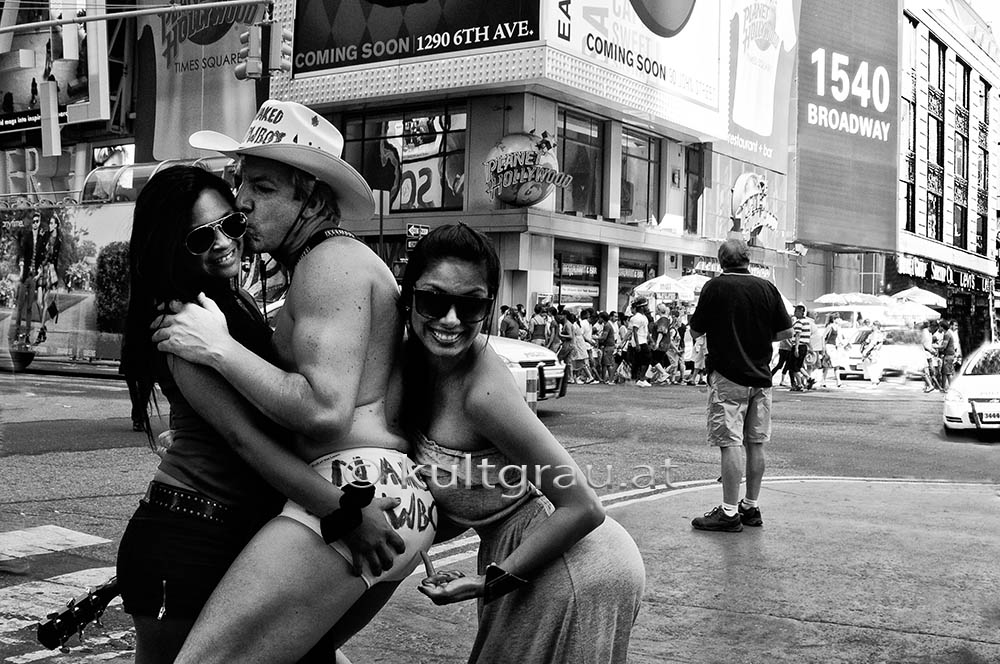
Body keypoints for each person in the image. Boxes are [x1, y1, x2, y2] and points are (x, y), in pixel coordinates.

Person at [148, 101, 435, 664]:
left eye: (264, 188)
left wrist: (220, 349)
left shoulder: (329, 263)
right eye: (242, 183)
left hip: (353, 490)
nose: (243, 202)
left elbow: (324, 410)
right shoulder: (331, 263)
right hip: (375, 490)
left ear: (315, 200)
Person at [116, 166, 359, 663]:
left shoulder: (231, 302)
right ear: (170, 247)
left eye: (230, 224)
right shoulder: (180, 321)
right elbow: (244, 439)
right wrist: (345, 513)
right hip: (188, 539)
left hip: (235, 531)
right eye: (200, 238)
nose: (224, 243)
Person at [401, 224, 645, 662]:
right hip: (526, 556)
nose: (451, 320)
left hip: (574, 565)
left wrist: (490, 581)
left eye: (471, 305)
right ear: (408, 296)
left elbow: (583, 506)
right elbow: (474, 494)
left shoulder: (483, 392)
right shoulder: (416, 366)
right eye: (433, 301)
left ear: (489, 307)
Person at [688, 238, 793, 532]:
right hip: (761, 377)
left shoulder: (714, 287)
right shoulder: (767, 287)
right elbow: (785, 331)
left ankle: (729, 512)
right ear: (748, 259)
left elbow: (696, 329)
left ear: (721, 261)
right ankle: (751, 506)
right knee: (756, 443)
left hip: (728, 376)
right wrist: (757, 336)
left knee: (730, 442)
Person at [35, 214, 62, 344]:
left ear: (56, 225)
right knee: (38, 302)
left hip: (50, 270)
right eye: (49, 223)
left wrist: (55, 280)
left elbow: (55, 260)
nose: (50, 225)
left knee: (45, 303)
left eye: (52, 223)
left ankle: (41, 331)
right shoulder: (45, 235)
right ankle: (43, 327)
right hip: (42, 269)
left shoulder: (58, 241)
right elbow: (39, 250)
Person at [629, 298, 652, 387]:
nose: (647, 307)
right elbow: (635, 331)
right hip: (640, 342)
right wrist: (637, 344)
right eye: (646, 306)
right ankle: (641, 378)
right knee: (646, 360)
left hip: (643, 341)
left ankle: (639, 378)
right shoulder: (637, 318)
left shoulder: (644, 317)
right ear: (642, 307)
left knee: (642, 361)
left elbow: (646, 331)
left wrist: (651, 340)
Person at [820, 314, 843, 388]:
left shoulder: (837, 327)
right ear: (834, 319)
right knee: (830, 364)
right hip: (829, 346)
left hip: (834, 346)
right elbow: (823, 337)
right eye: (838, 318)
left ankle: (837, 381)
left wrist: (842, 344)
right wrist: (823, 347)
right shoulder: (830, 327)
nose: (839, 320)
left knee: (834, 364)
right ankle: (825, 380)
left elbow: (839, 338)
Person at [861, 320, 886, 387]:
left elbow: (872, 343)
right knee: (872, 367)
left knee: (870, 367)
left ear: (876, 326)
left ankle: (874, 382)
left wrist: (865, 351)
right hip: (875, 352)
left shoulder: (875, 333)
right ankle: (875, 381)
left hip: (872, 352)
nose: (872, 326)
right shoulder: (879, 333)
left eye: (873, 325)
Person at [920, 320, 942, 393]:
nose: (935, 331)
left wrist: (933, 350)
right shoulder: (925, 332)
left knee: (931, 371)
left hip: (929, 355)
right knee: (924, 370)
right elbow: (923, 344)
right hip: (924, 354)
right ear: (932, 326)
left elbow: (929, 344)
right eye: (935, 329)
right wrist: (930, 350)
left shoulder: (930, 333)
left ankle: (930, 386)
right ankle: (929, 386)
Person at [937, 319, 957, 391]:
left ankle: (950, 388)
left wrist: (934, 346)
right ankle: (944, 388)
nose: (939, 328)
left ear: (942, 327)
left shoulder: (947, 334)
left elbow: (944, 346)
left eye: (939, 326)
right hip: (949, 355)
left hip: (949, 355)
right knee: (945, 372)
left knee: (947, 373)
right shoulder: (948, 333)